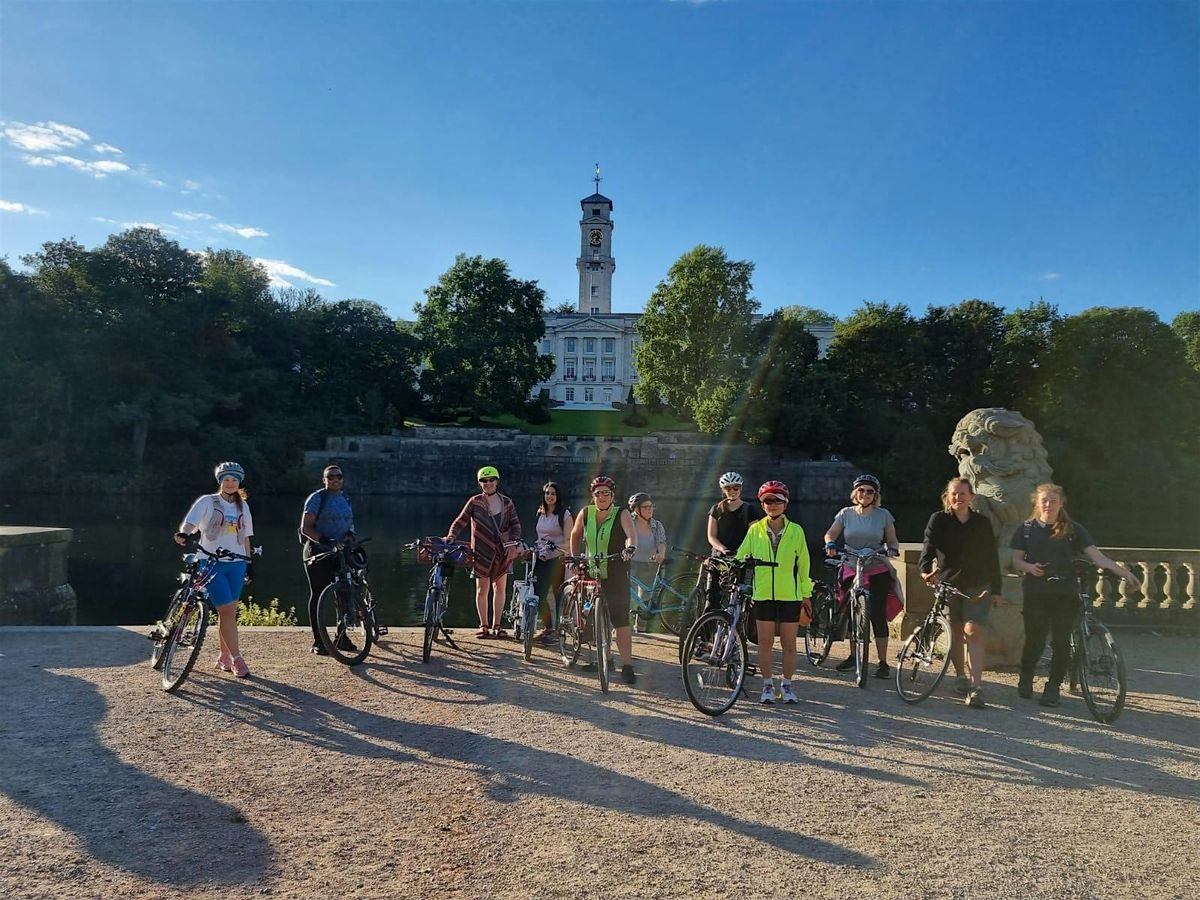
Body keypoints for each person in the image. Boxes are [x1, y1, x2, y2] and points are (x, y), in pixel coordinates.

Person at [1011, 482, 1140, 707]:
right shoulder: (1026, 529)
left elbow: (1097, 557)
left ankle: (1053, 688)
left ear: (1061, 503)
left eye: (1053, 500)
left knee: (1062, 643)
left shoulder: (1073, 530)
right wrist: (1029, 567)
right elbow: (1016, 560)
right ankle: (1027, 674)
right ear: (1037, 503)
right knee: (1035, 640)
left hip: (1065, 592)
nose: (1049, 505)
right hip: (1036, 592)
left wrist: (1124, 573)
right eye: (1044, 500)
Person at [919, 477, 1002, 709]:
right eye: (954, 494)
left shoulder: (982, 523)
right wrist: (926, 570)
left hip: (979, 584)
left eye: (963, 493)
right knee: (955, 631)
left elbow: (992, 557)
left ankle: (977, 686)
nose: (958, 497)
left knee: (973, 630)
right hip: (950, 583)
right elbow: (928, 546)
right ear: (947, 496)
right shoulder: (939, 519)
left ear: (971, 496)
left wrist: (996, 588)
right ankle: (960, 676)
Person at [735, 481, 813, 705]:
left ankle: (787, 685)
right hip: (763, 595)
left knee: (789, 643)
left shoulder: (796, 530)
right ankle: (767, 684)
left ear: (785, 504)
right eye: (768, 500)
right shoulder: (755, 530)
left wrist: (806, 593)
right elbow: (741, 556)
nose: (773, 505)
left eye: (778, 500)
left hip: (790, 594)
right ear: (762, 503)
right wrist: (723, 563)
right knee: (765, 642)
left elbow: (804, 564)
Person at [175, 461, 254, 677]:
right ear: (220, 481)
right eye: (226, 480)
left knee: (228, 612)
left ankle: (223, 656)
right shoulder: (207, 502)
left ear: (239, 482)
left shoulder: (242, 506)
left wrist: (249, 564)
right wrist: (185, 534)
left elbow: (246, 537)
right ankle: (237, 658)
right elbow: (190, 523)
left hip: (236, 563)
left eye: (234, 480)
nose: (230, 483)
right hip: (210, 562)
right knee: (227, 610)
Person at [823, 474, 901, 679]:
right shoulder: (846, 513)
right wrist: (830, 544)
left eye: (870, 491)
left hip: (875, 564)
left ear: (875, 495)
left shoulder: (883, 515)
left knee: (876, 613)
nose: (865, 494)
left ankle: (883, 663)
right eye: (861, 490)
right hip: (851, 562)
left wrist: (892, 549)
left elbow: (892, 540)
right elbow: (831, 533)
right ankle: (853, 655)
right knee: (851, 612)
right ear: (855, 492)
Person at [568, 475, 637, 684]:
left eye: (606, 493)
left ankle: (627, 665)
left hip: (615, 571)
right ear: (593, 496)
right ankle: (602, 659)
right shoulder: (586, 513)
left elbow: (631, 534)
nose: (601, 497)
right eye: (597, 493)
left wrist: (630, 547)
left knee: (620, 620)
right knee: (591, 615)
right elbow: (575, 534)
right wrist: (574, 556)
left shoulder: (621, 513)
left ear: (612, 495)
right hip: (591, 571)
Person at [446, 465, 522, 639]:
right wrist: (451, 535)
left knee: (500, 588)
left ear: (497, 482)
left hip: (502, 551)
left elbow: (516, 525)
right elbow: (461, 521)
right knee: (482, 589)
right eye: (484, 481)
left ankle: (498, 625)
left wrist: (513, 542)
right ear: (480, 483)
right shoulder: (475, 502)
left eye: (491, 480)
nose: (488, 484)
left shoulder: (507, 502)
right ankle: (483, 625)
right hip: (480, 551)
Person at [299, 463, 357, 655]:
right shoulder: (317, 498)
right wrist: (325, 540)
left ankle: (342, 638)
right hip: (318, 553)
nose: (335, 479)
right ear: (324, 480)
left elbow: (348, 523)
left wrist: (349, 536)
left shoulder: (345, 497)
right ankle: (318, 641)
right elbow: (305, 528)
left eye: (338, 476)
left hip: (340, 553)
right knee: (318, 595)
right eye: (330, 477)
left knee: (343, 594)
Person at [705, 471, 763, 612]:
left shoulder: (749, 510)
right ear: (723, 490)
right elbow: (711, 536)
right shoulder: (717, 509)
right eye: (728, 489)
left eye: (735, 488)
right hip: (720, 556)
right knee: (711, 596)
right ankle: (707, 630)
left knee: (741, 597)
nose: (732, 491)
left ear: (741, 488)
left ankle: (739, 628)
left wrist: (742, 552)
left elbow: (754, 537)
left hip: (741, 557)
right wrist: (722, 549)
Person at [532, 482, 573, 644]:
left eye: (553, 494)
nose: (549, 496)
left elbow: (570, 541)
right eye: (547, 493)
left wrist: (554, 549)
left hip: (557, 559)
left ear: (558, 496)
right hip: (541, 557)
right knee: (538, 594)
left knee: (557, 595)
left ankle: (559, 631)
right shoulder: (541, 513)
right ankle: (547, 628)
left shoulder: (565, 514)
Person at [627, 491, 667, 630]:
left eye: (651, 506)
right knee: (629, 597)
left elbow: (661, 542)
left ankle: (641, 627)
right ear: (637, 509)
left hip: (650, 564)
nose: (649, 509)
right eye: (645, 507)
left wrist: (660, 554)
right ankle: (624, 627)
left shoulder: (657, 525)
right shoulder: (628, 523)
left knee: (645, 597)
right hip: (631, 563)